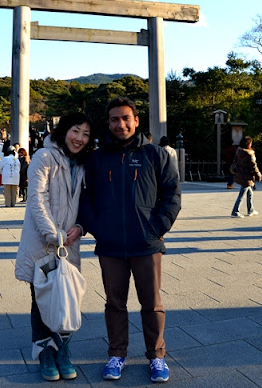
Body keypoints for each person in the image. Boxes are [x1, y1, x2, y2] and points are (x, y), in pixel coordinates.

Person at [79, 97, 181, 383]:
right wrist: (99, 228)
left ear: (136, 121)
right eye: (114, 119)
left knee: (152, 302)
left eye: (126, 118)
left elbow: (172, 195)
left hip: (146, 243)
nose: (120, 124)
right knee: (114, 303)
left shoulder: (155, 155)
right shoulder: (96, 159)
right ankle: (116, 353)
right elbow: (86, 198)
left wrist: (157, 227)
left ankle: (157, 356)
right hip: (110, 245)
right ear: (108, 123)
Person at [14, 112, 92, 381]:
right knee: (41, 297)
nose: (80, 138)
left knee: (67, 296)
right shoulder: (43, 157)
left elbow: (88, 204)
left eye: (85, 134)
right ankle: (45, 351)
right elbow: (37, 199)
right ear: (63, 131)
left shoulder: (81, 164)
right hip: (43, 242)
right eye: (75, 131)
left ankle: (63, 350)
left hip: (69, 242)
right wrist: (54, 234)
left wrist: (80, 228)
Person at [230, 136, 262, 218]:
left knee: (249, 193)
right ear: (248, 144)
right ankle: (235, 211)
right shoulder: (249, 154)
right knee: (241, 195)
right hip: (247, 176)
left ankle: (251, 210)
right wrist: (258, 174)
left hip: (240, 174)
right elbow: (253, 166)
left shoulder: (239, 151)